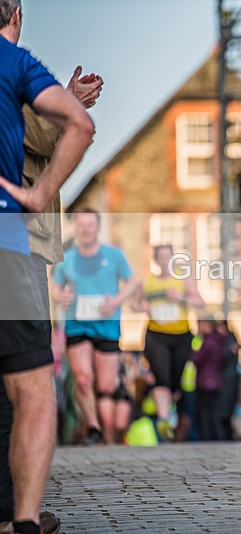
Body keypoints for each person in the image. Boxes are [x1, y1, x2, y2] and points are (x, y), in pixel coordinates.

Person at [0, 0, 95, 531]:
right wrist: (38, 194)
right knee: (30, 385)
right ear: (13, 14)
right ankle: (23, 519)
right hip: (13, 242)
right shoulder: (14, 64)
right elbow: (64, 129)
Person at [51, 211, 138, 445]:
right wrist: (61, 296)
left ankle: (107, 432)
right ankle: (93, 426)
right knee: (83, 379)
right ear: (76, 228)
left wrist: (117, 301)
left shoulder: (114, 255)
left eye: (90, 225)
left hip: (107, 327)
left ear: (97, 227)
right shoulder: (66, 258)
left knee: (106, 384)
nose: (85, 229)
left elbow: (132, 281)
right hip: (77, 324)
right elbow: (54, 286)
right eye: (81, 225)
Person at [130, 244, 205, 441]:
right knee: (161, 376)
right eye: (161, 257)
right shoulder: (147, 282)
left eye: (168, 257)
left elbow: (200, 303)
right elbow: (134, 304)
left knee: (175, 381)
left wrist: (182, 297)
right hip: (156, 334)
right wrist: (142, 307)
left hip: (181, 334)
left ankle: (170, 413)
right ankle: (164, 418)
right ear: (156, 260)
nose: (165, 261)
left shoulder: (184, 279)